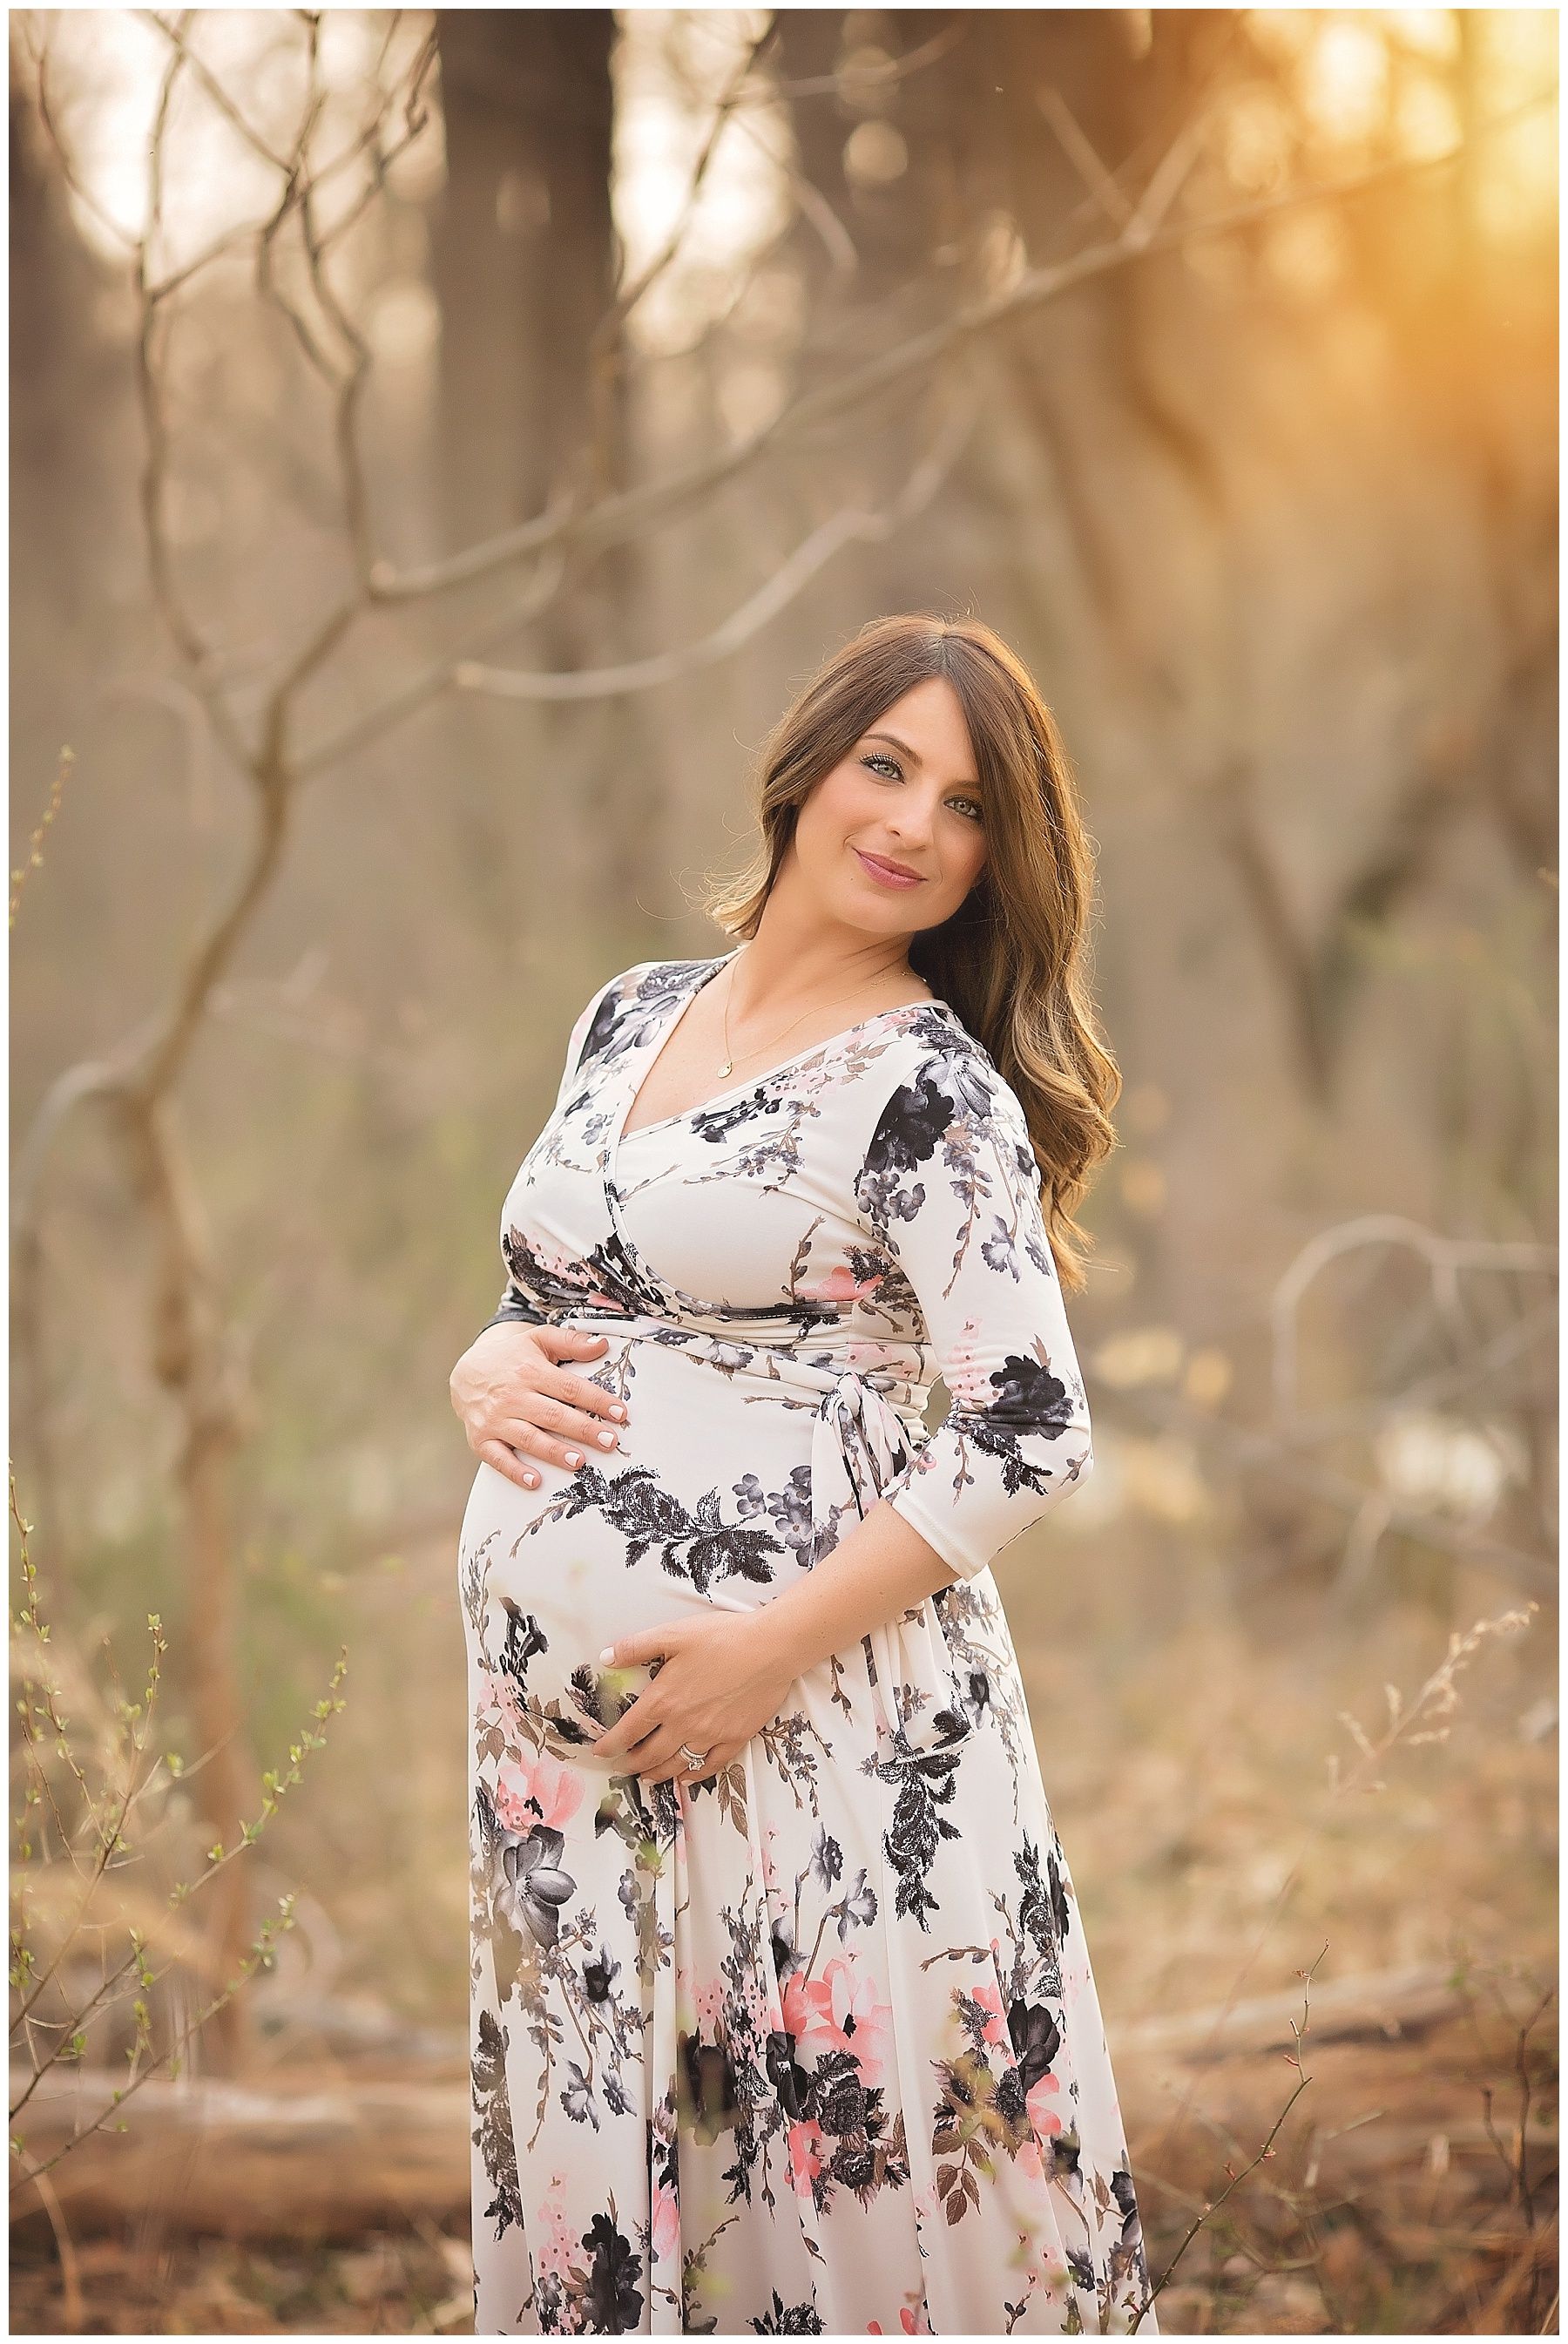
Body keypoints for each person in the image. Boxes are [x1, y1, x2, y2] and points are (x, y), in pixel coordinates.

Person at [449, 613, 1157, 2335]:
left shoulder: (926, 1091)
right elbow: (563, 1295)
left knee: (803, 2187)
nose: (915, 823)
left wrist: (769, 1646)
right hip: (568, 1782)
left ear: (1000, 860)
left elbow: (1028, 1427)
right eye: (888, 765)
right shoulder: (630, 1013)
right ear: (810, 766)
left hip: (810, 1727)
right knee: (618, 2168)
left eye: (968, 805)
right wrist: (473, 1360)